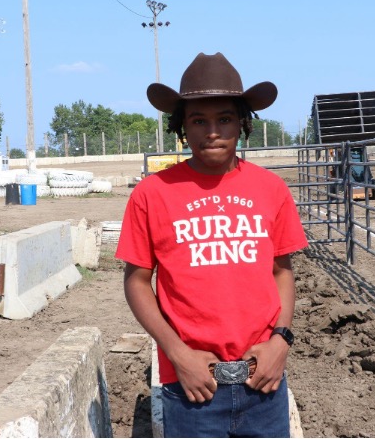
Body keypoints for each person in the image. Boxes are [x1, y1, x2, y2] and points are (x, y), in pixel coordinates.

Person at [115, 52, 308, 438]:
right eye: (198, 120)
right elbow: (137, 281)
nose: (212, 131)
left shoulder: (271, 189)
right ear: (182, 128)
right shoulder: (153, 193)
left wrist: (280, 342)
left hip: (263, 379)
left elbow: (281, 271)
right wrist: (178, 354)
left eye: (224, 118)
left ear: (243, 123)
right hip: (192, 384)